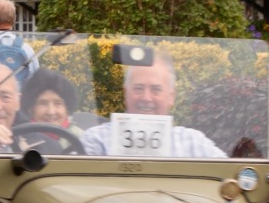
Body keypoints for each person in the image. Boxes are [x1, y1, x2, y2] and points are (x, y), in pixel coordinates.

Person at [80, 57, 225, 158]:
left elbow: (231, 180)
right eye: (138, 88)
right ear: (126, 94)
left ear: (171, 96)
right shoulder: (96, 140)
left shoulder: (194, 143)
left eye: (156, 89)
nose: (146, 98)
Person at [22, 68, 85, 139]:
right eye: (43, 103)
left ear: (67, 109)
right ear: (31, 109)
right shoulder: (19, 138)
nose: (51, 112)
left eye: (58, 103)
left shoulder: (81, 139)